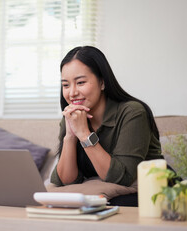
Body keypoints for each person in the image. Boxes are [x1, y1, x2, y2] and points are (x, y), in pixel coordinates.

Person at [50, 46, 164, 188]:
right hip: (105, 197)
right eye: (66, 85)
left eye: (80, 82)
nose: (72, 93)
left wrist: (84, 134)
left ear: (102, 82)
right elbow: (66, 180)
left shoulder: (133, 113)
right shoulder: (73, 116)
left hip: (152, 193)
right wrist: (71, 137)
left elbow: (123, 179)